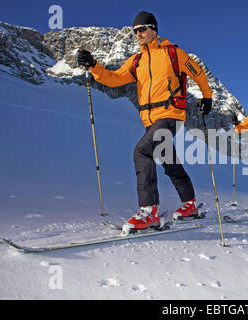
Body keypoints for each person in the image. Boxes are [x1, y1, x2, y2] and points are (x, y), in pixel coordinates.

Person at [77, 11, 213, 234]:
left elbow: (197, 73)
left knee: (142, 151)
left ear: (154, 29)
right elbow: (114, 79)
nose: (137, 34)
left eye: (142, 29)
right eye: (134, 31)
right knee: (169, 161)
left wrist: (206, 96)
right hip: (150, 120)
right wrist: (93, 65)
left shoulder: (173, 53)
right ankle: (190, 205)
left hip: (170, 115)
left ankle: (149, 211)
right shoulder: (137, 61)